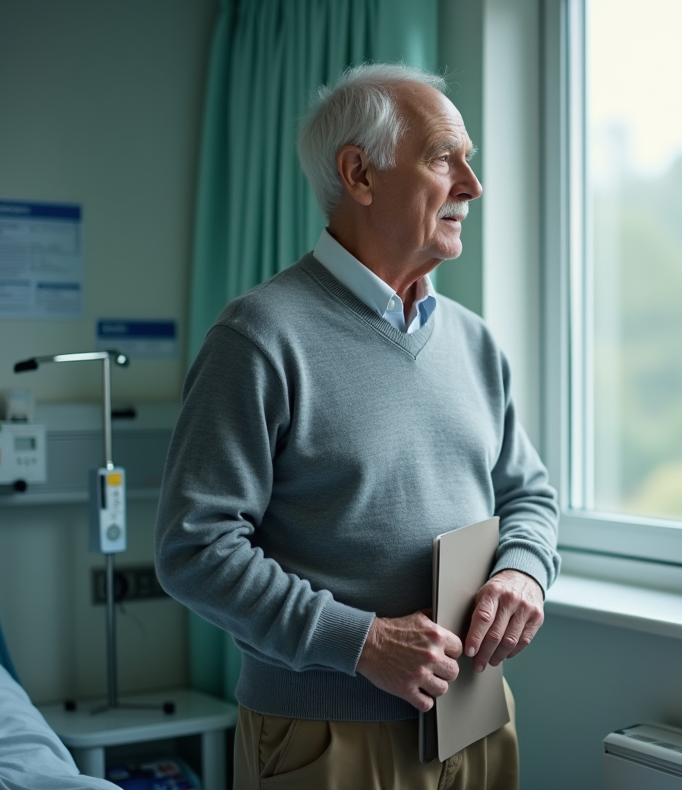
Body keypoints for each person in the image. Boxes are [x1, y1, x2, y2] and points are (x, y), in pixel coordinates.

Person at [154, 63, 560, 790]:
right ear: (360, 175)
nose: (472, 185)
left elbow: (529, 495)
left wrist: (525, 572)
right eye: (443, 158)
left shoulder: (475, 343)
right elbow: (195, 549)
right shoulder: (258, 338)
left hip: (476, 721)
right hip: (329, 738)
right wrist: (362, 642)